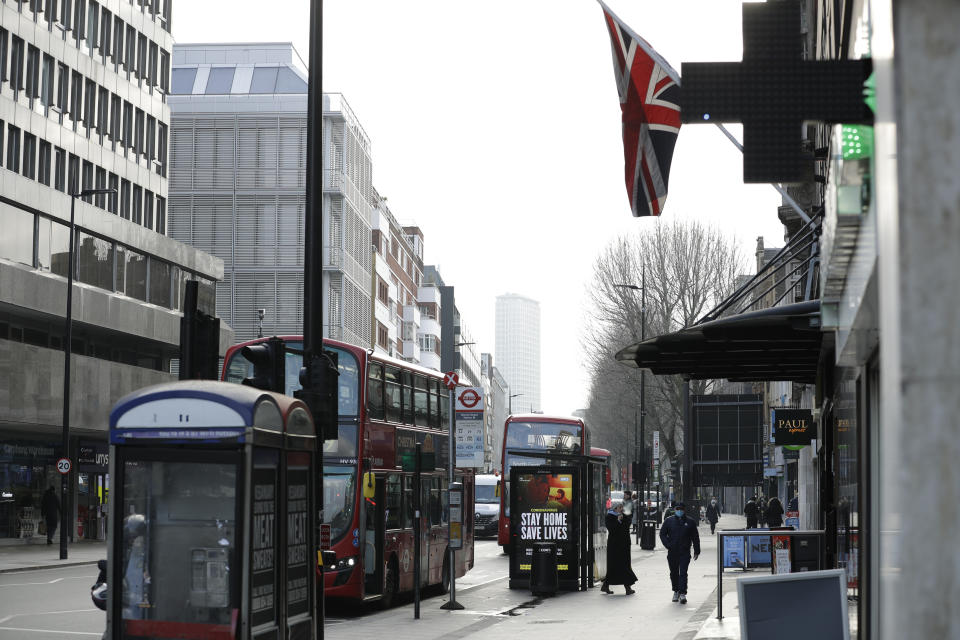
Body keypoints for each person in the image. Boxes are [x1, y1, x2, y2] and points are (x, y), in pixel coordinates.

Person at [659, 501, 700, 604]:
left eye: (681, 509)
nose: (679, 511)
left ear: (684, 510)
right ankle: (676, 591)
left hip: (684, 551)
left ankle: (682, 593)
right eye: (677, 509)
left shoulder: (690, 522)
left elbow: (695, 537)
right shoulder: (669, 521)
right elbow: (662, 534)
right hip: (672, 552)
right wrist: (668, 545)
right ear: (675, 510)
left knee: (683, 573)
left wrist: (697, 550)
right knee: (674, 573)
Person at [601, 503, 637, 595]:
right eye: (619, 507)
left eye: (622, 507)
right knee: (614, 567)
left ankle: (627, 588)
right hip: (614, 546)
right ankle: (607, 585)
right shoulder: (610, 517)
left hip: (624, 545)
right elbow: (612, 529)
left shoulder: (624, 516)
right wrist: (618, 521)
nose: (621, 509)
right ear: (615, 508)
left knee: (625, 566)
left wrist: (623, 519)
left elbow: (627, 525)